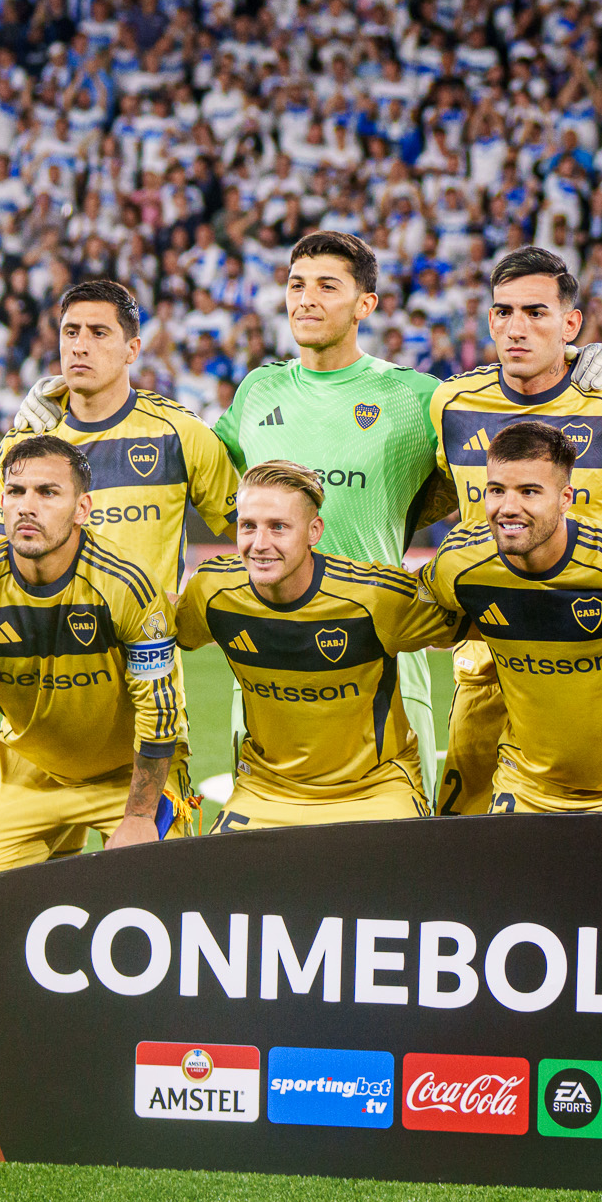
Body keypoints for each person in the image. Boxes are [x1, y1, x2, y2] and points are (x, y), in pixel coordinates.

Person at [425, 248, 602, 814]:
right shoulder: (451, 403)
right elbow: (437, 491)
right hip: (487, 659)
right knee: (469, 834)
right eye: (504, 311)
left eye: (536, 312)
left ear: (570, 323)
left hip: (596, 659)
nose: (516, 328)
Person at [207, 232, 461, 790]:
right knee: (267, 832)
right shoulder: (257, 390)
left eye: (327, 286)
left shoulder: (416, 396)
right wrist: (77, 401)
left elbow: (495, 464)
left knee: (397, 838)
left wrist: (575, 359)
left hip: (380, 649)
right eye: (296, 285)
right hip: (267, 655)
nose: (306, 299)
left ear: (365, 304)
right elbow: (192, 465)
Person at [416, 419, 602, 814]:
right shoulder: (460, 561)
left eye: (529, 491)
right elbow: (411, 612)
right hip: (524, 788)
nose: (508, 507)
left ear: (565, 498)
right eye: (496, 490)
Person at [0, 433, 184, 880]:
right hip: (29, 768)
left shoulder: (127, 584)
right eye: (16, 491)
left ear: (82, 509)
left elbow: (159, 712)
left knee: (157, 890)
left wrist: (140, 816)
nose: (27, 506)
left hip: (129, 773)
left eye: (47, 493)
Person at [178, 461, 459, 826]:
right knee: (220, 864)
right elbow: (162, 630)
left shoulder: (374, 597)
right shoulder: (212, 591)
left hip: (375, 790)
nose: (260, 544)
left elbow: (481, 624)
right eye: (248, 526)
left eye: (278, 527)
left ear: (314, 531)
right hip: (266, 790)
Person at [0, 277, 239, 594]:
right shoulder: (23, 442)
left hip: (146, 628)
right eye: (71, 332)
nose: (80, 346)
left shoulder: (181, 433)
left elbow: (255, 537)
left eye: (98, 333)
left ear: (132, 350)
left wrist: (199, 601)